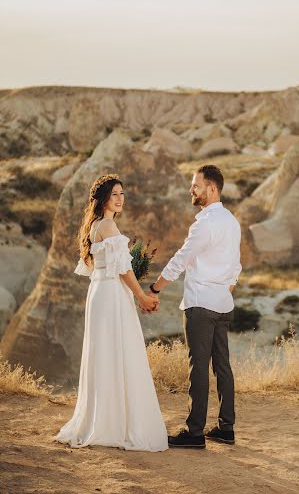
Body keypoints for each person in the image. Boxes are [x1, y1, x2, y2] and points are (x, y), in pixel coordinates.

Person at [54, 174, 168, 452]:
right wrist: (141, 295)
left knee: (105, 354)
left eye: (122, 194)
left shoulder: (95, 226)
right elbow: (123, 269)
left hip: (100, 293)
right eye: (115, 194)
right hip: (112, 294)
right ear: (103, 199)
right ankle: (116, 425)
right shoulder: (108, 226)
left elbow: (104, 266)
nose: (120, 199)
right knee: (120, 352)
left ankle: (104, 419)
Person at [147, 165, 242, 449]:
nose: (192, 190)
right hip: (223, 304)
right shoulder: (231, 222)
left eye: (196, 185)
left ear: (212, 188)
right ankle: (226, 428)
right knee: (222, 366)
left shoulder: (205, 223)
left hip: (200, 304)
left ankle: (195, 431)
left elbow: (181, 259)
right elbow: (236, 267)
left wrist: (153, 289)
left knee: (198, 367)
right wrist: (223, 290)